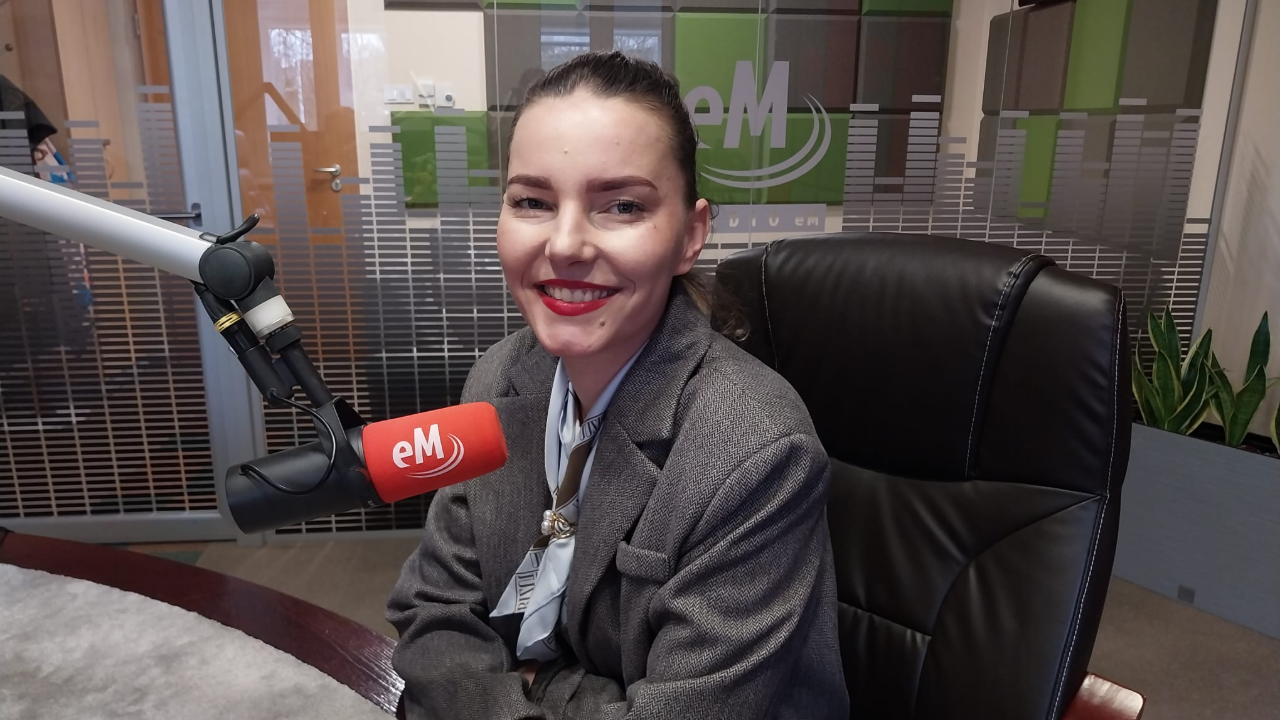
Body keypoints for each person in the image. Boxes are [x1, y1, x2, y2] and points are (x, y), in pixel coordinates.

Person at [386, 51, 849, 720]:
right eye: (533, 201)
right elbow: (434, 612)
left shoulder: (756, 451)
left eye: (623, 206)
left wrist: (543, 687)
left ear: (690, 236)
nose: (566, 244)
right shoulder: (499, 377)